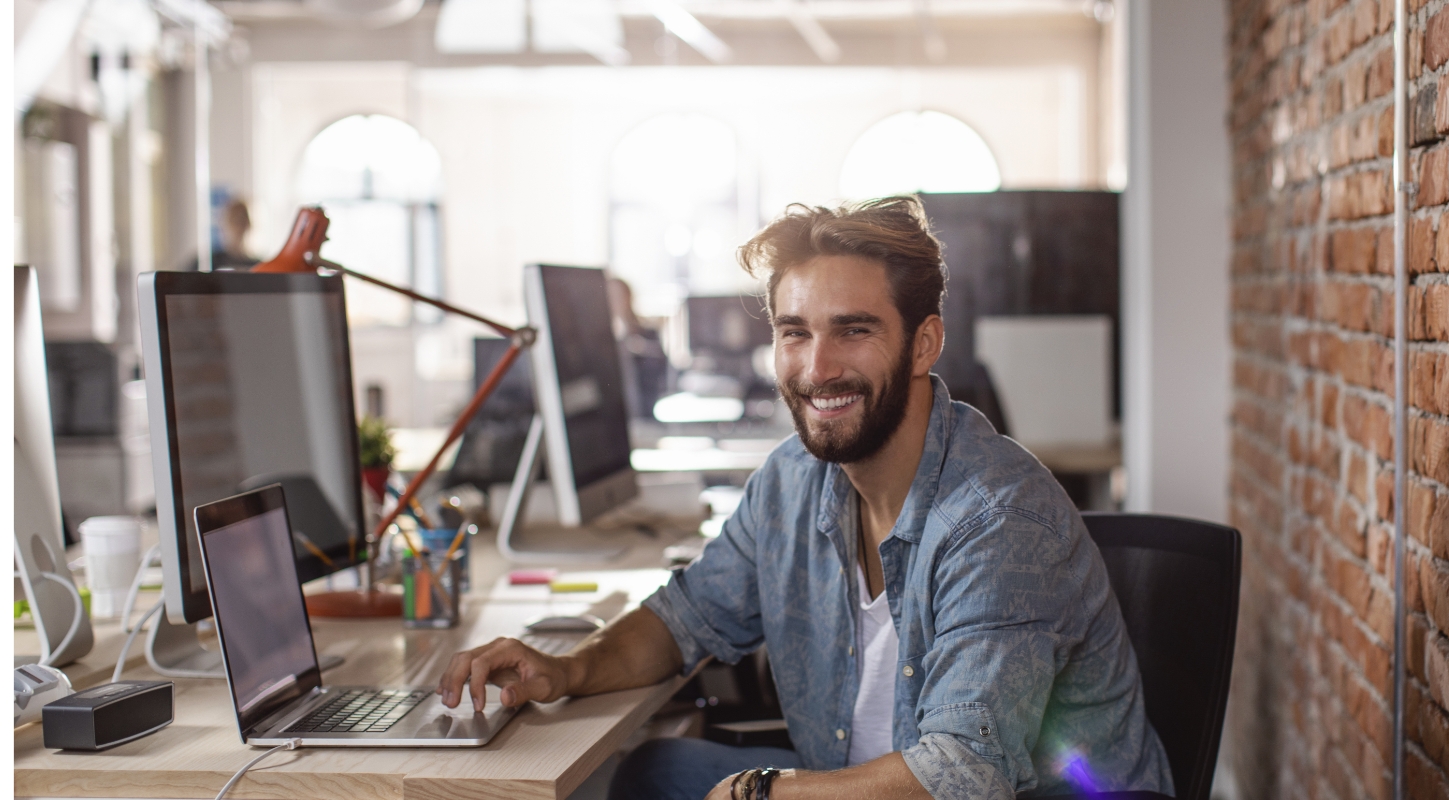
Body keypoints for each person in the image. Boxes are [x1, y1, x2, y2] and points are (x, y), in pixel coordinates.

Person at [435, 197, 1172, 799]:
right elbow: (687, 617)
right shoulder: (794, 479)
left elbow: (963, 773)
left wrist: (766, 792)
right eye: (795, 333)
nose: (818, 368)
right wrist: (567, 670)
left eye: (853, 332)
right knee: (650, 774)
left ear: (923, 344)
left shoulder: (996, 517)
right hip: (877, 777)